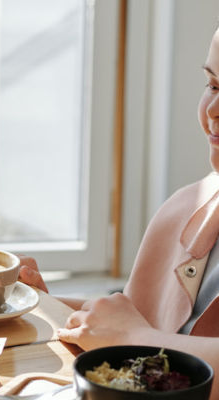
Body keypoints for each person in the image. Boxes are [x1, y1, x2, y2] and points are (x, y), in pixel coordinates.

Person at [20, 25, 219, 398]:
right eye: (213, 85)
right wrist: (36, 303)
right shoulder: (185, 209)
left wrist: (134, 337)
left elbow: (137, 334)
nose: (212, 110)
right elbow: (134, 322)